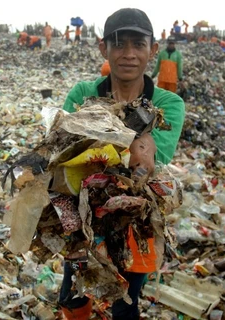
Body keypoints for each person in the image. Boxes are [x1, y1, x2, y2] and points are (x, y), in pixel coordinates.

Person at [59, 9, 185, 318]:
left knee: (126, 301)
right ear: (104, 48)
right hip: (80, 225)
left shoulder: (168, 104)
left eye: (138, 44)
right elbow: (60, 149)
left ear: (152, 50)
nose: (128, 54)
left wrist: (101, 143)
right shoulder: (83, 93)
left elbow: (146, 159)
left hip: (137, 227)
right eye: (118, 44)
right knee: (73, 289)